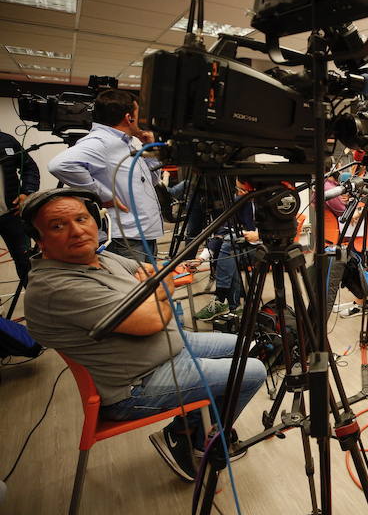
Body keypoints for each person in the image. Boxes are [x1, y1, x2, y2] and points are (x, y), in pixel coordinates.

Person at [21, 188, 266, 482]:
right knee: (253, 372)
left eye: (81, 219)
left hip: (167, 350)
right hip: (137, 385)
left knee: (248, 345)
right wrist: (159, 294)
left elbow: (159, 273)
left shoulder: (98, 259)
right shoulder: (57, 287)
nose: (77, 231)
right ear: (40, 239)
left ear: (95, 220)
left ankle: (192, 424)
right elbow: (153, 316)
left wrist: (155, 292)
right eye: (58, 226)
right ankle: (190, 440)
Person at [48, 90, 163, 263]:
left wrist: (150, 148)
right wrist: (103, 196)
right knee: (130, 289)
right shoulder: (101, 141)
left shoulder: (125, 143)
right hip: (126, 238)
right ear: (128, 118)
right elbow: (60, 165)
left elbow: (151, 181)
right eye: (140, 114)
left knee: (145, 288)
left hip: (140, 235)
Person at [321, 166, 368, 343]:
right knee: (358, 267)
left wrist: (361, 211)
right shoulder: (362, 170)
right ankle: (360, 303)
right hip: (358, 229)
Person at [194, 179, 258, 320]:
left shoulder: (267, 203)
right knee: (229, 249)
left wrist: (259, 235)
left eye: (242, 190)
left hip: (264, 247)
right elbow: (222, 231)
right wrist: (201, 258)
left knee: (229, 246)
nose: (239, 193)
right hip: (239, 246)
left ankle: (221, 299)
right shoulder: (238, 202)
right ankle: (234, 308)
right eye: (237, 189)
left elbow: (286, 231)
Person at [0, 130, 40, 286]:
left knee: (26, 262)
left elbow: (29, 167)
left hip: (12, 214)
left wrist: (27, 193)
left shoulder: (6, 140)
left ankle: (36, 301)